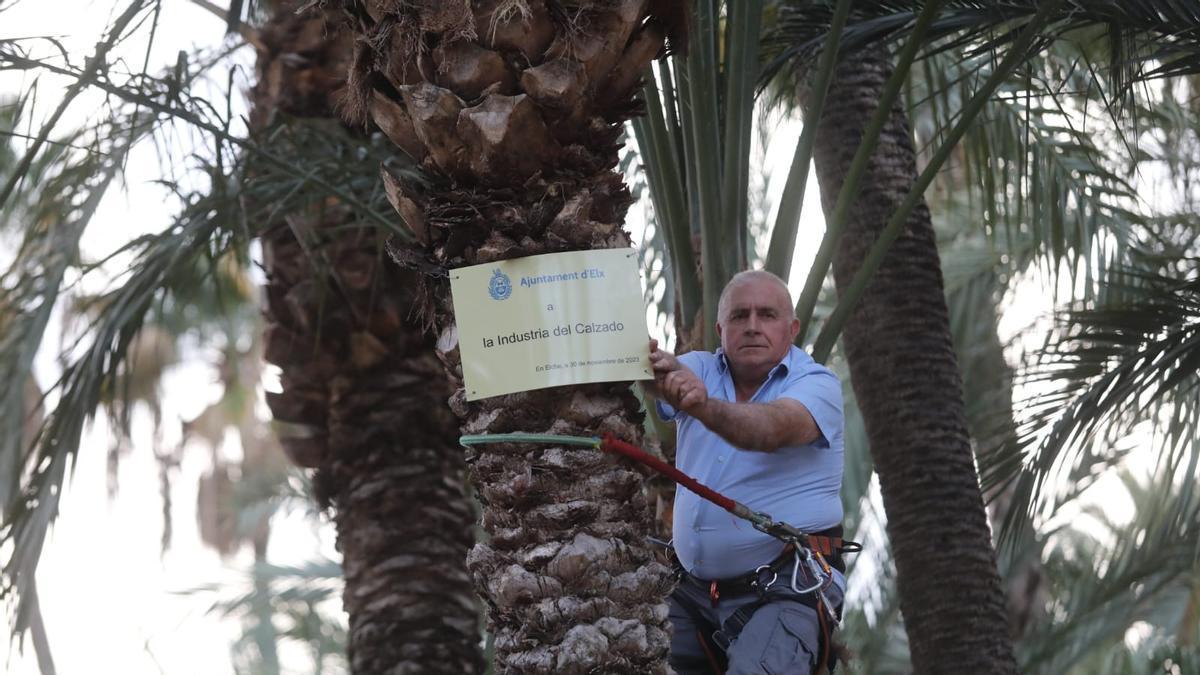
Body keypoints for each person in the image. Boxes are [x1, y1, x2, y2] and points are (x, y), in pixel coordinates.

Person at [646, 269, 847, 675]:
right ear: (721, 328)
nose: (752, 326)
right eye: (739, 316)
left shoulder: (817, 386)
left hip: (786, 590)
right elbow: (662, 378)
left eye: (766, 315)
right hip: (693, 594)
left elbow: (769, 429)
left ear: (792, 329)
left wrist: (700, 405)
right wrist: (651, 368)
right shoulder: (700, 368)